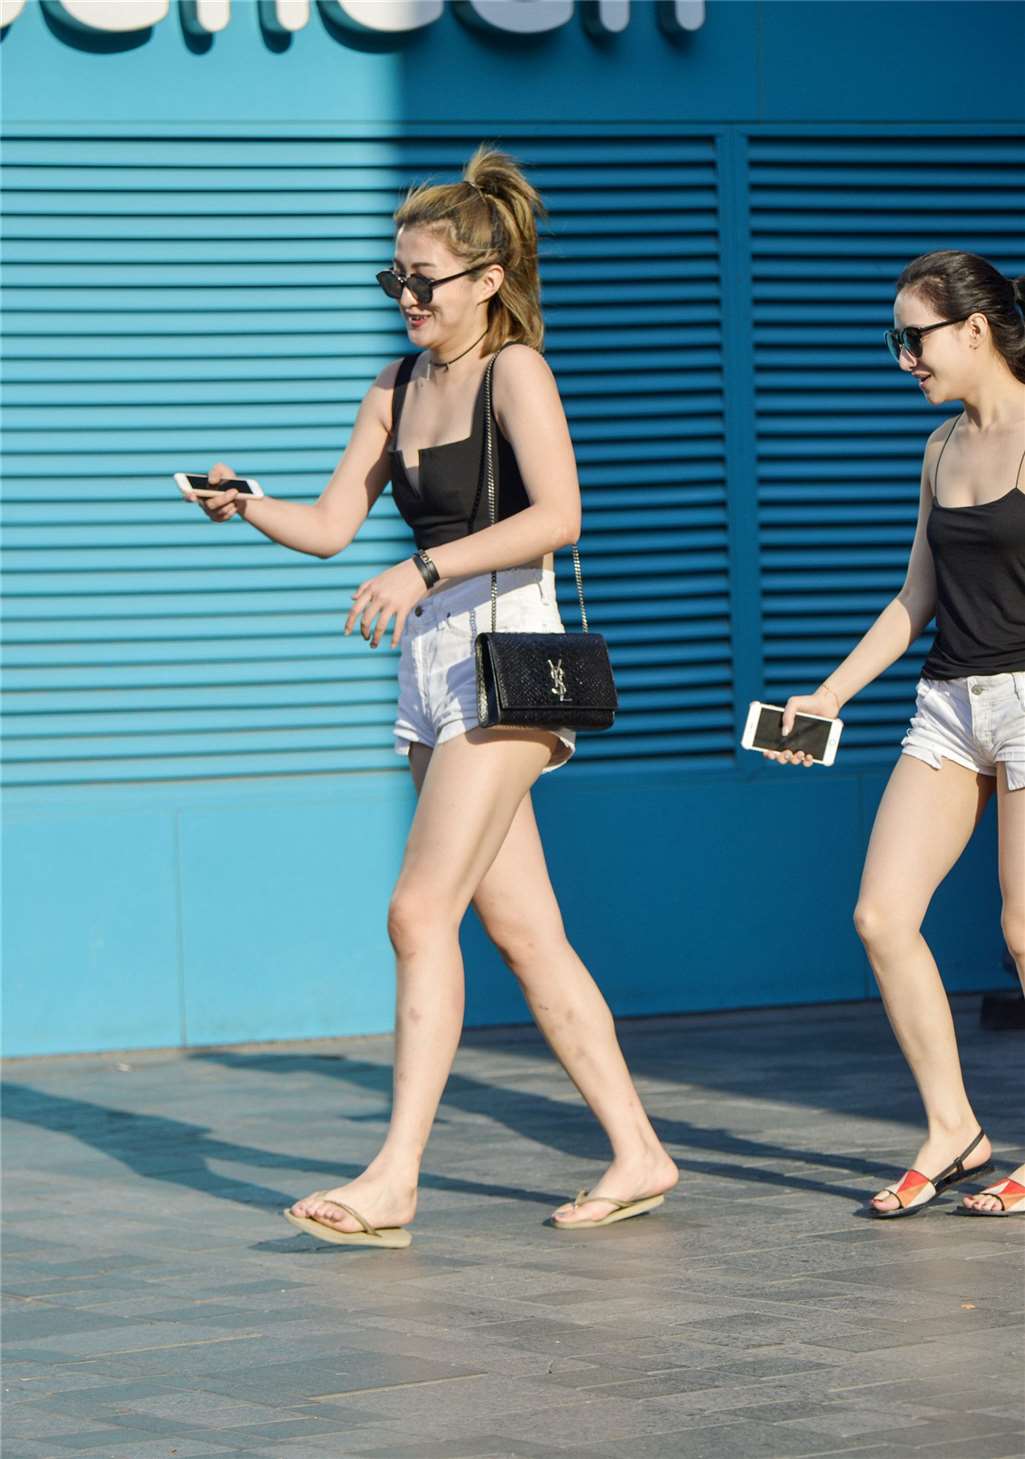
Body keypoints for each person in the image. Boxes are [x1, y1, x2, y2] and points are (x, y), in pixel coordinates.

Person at [186, 147, 678, 1245]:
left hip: (509, 653)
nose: (405, 298)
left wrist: (421, 568)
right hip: (430, 667)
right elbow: (330, 525)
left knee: (417, 912)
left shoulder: (516, 372)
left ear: (487, 279)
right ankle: (639, 1150)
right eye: (394, 279)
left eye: (423, 280)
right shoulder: (393, 387)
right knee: (525, 932)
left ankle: (395, 1175)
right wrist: (247, 503)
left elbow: (559, 515)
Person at [765, 251, 1025, 1218]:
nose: (903, 359)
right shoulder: (939, 448)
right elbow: (916, 595)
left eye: (913, 338)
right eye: (897, 340)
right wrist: (827, 696)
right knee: (880, 915)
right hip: (949, 704)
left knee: (1023, 931)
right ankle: (953, 1128)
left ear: (974, 329)